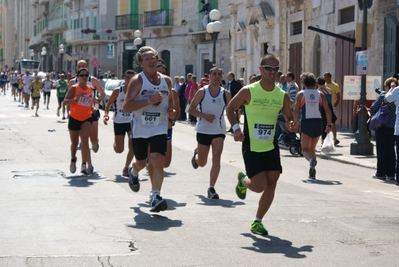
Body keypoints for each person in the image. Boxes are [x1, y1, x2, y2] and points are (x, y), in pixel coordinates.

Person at [226, 54, 296, 235]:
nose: (272, 72)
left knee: (272, 181)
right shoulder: (248, 91)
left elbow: (289, 116)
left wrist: (290, 123)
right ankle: (243, 179)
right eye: (268, 68)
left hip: (271, 145)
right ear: (261, 69)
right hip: (252, 145)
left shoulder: (282, 95)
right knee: (258, 186)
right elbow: (230, 108)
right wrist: (235, 128)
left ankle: (257, 221)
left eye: (276, 69)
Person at [123, 46, 175, 212]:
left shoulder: (166, 80)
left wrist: (171, 112)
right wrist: (149, 101)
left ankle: (155, 195)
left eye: (153, 58)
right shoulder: (138, 80)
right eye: (147, 59)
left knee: (157, 160)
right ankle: (134, 171)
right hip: (141, 128)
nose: (151, 61)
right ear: (141, 63)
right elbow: (127, 106)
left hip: (159, 126)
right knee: (141, 161)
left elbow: (171, 101)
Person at [188, 67, 231, 199]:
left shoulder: (226, 94)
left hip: (218, 130)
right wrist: (204, 116)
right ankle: (196, 156)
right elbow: (191, 109)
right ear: (209, 77)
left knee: (216, 158)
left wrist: (236, 127)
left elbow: (231, 110)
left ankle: (211, 188)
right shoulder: (202, 92)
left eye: (219, 74)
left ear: (222, 77)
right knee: (202, 162)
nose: (217, 77)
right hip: (203, 130)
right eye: (214, 74)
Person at [294, 72, 332, 180]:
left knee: (305, 150)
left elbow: (296, 110)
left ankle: (311, 161)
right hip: (319, 122)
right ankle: (312, 173)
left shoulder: (301, 94)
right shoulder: (320, 94)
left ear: (303, 83)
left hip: (306, 122)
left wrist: (295, 123)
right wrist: (329, 124)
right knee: (312, 149)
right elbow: (327, 110)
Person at [63, 68, 96, 175]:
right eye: (82, 75)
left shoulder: (90, 89)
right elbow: (65, 102)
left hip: (87, 118)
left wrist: (92, 108)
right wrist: (75, 99)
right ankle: (73, 159)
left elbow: (89, 103)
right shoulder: (74, 88)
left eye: (86, 75)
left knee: (85, 140)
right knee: (74, 143)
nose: (84, 77)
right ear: (77, 77)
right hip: (74, 118)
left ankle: (84, 164)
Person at [103, 70, 136, 177]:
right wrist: (106, 115)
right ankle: (116, 145)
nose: (129, 79)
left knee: (133, 145)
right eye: (127, 77)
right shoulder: (118, 91)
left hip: (132, 121)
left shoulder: (137, 91)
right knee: (119, 149)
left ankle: (126, 167)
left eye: (132, 77)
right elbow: (108, 105)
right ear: (124, 78)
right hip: (119, 121)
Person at [68, 60, 105, 153]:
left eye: (83, 65)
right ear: (76, 68)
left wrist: (98, 100)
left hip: (92, 111)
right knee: (83, 137)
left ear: (87, 68)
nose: (81, 67)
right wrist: (69, 111)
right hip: (78, 112)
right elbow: (68, 98)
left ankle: (95, 142)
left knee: (93, 138)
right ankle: (84, 145)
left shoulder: (93, 80)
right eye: (79, 66)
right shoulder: (73, 82)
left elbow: (102, 94)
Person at [370, 77, 397, 181]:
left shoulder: (383, 96)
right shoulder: (396, 97)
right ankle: (391, 174)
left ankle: (380, 173)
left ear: (387, 87)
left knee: (381, 151)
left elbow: (373, 109)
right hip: (393, 127)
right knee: (391, 151)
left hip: (382, 127)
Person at [156, 63, 180, 168]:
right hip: (149, 125)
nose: (161, 75)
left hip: (165, 125)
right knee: (152, 161)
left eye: (163, 73)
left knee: (166, 164)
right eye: (158, 72)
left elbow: (177, 110)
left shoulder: (172, 91)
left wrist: (172, 120)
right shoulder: (147, 87)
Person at [316, 76, 337, 142]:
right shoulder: (329, 89)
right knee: (331, 123)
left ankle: (324, 139)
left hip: (323, 107)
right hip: (330, 106)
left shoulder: (319, 91)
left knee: (323, 123)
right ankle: (334, 138)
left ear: (318, 83)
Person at [324, 72, 340, 145]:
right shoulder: (324, 85)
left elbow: (338, 96)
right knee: (325, 123)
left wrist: (334, 105)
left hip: (332, 106)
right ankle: (326, 138)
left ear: (329, 77)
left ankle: (335, 138)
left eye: (325, 77)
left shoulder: (335, 86)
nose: (324, 78)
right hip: (325, 106)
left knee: (333, 123)